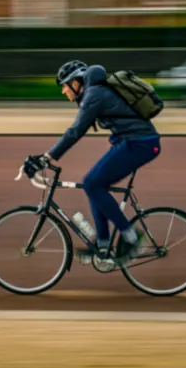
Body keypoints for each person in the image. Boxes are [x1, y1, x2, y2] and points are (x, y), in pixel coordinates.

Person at [31, 60, 162, 264]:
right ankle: (103, 246)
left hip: (140, 144)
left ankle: (131, 237)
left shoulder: (94, 95)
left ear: (77, 83)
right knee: (93, 184)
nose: (64, 91)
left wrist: (46, 158)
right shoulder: (94, 93)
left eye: (65, 85)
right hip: (130, 142)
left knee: (93, 183)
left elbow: (75, 132)